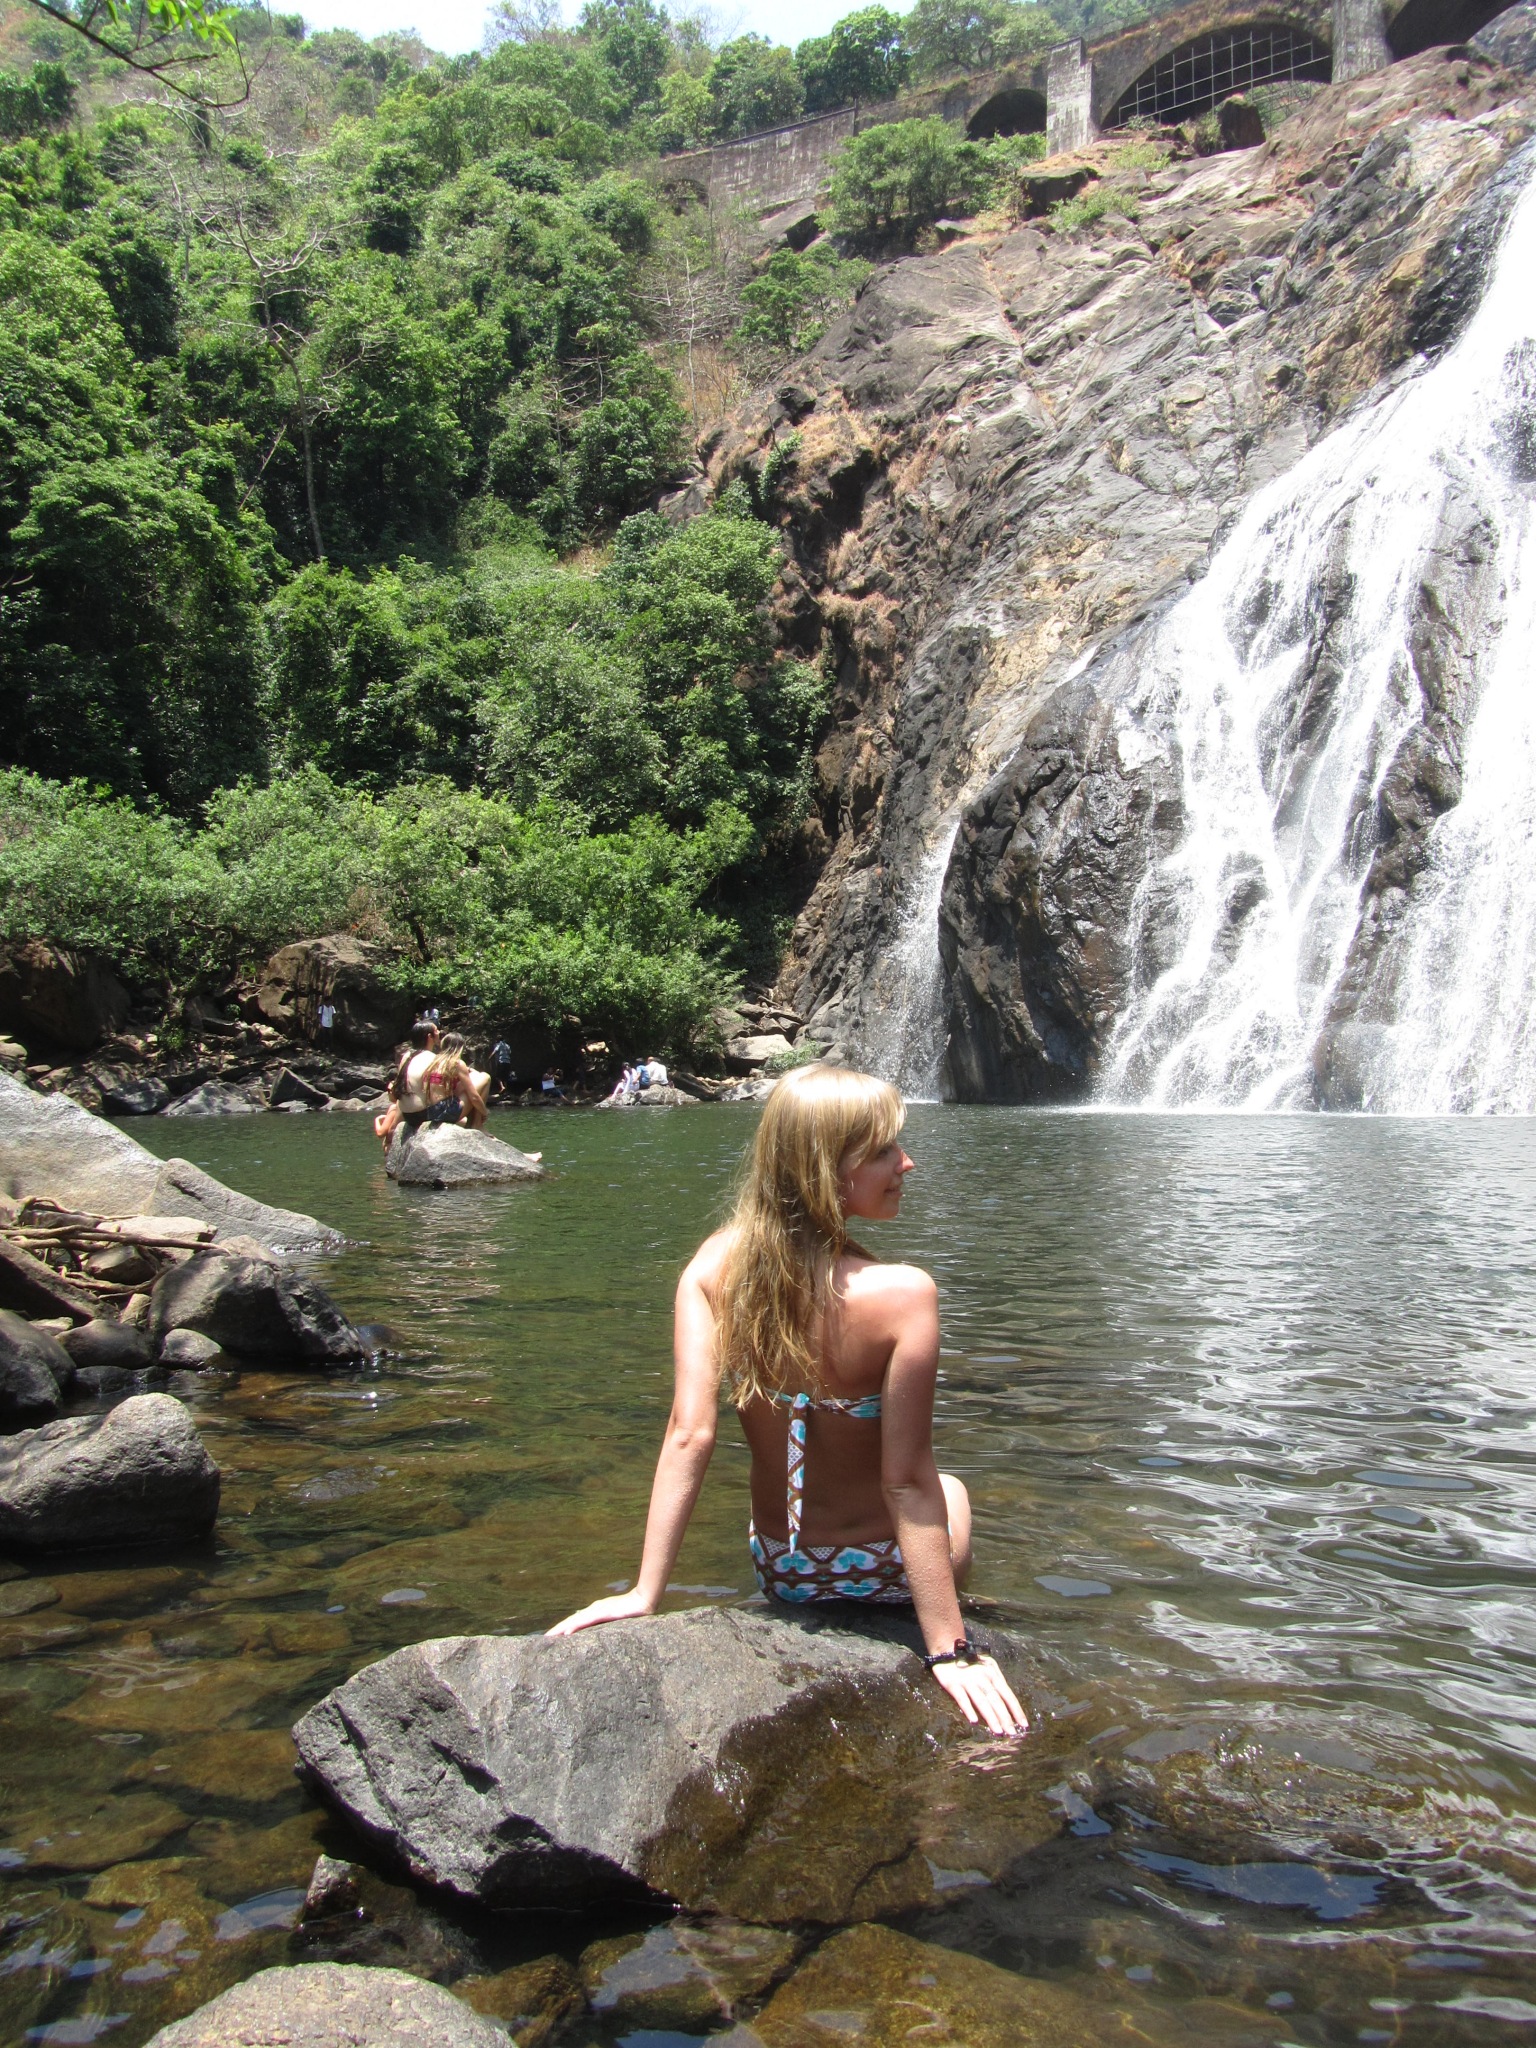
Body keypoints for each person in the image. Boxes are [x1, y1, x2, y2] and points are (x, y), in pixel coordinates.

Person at [549, 1063, 1028, 1739]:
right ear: (827, 1169)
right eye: (884, 1150)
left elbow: (689, 1433)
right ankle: (951, 1610)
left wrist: (644, 1592)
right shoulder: (903, 1294)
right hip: (885, 1573)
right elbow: (906, 1483)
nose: (907, 1163)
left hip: (784, 1568)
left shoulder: (712, 1268)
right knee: (950, 1488)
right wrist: (950, 1649)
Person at [375, 1020, 439, 1151]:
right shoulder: (433, 1058)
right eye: (436, 1030)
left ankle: (391, 1134)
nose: (439, 1032)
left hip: (407, 1114)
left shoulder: (406, 1056)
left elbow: (401, 1087)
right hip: (422, 1114)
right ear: (429, 1037)